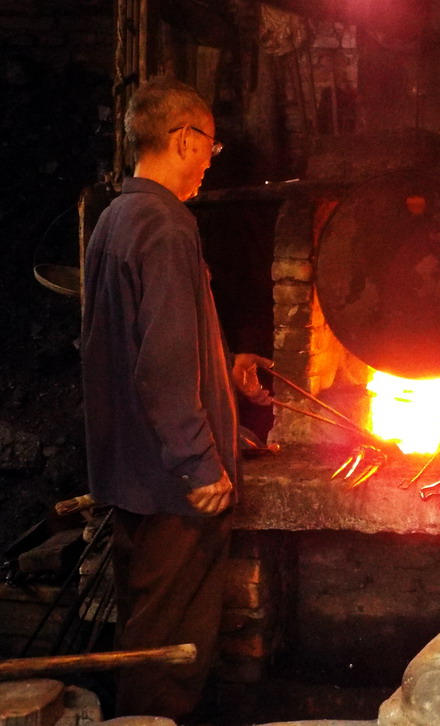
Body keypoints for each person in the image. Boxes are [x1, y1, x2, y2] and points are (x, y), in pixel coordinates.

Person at [81, 77, 271, 720]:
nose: (209, 162)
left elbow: (138, 339)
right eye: (210, 147)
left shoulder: (116, 217)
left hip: (132, 470)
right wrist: (197, 461)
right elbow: (162, 362)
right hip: (172, 484)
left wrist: (225, 363)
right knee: (167, 648)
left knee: (146, 624)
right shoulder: (167, 225)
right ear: (185, 138)